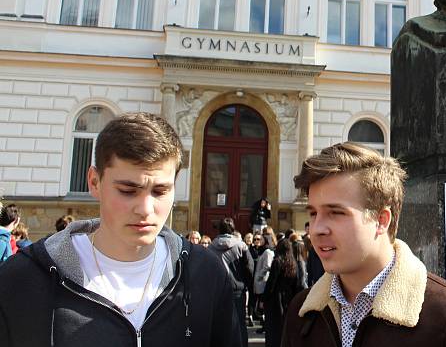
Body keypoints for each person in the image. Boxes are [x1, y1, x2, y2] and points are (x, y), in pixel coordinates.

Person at [0, 112, 241, 347]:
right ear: (94, 182)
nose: (145, 209)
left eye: (160, 191)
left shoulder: (206, 274)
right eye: (128, 190)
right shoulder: (22, 279)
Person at [282, 142, 446, 347]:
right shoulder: (302, 312)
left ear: (382, 220)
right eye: (313, 214)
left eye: (336, 213)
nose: (317, 228)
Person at [209, 217, 253, 347]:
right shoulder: (241, 246)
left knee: (219, 323)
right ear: (233, 229)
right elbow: (250, 268)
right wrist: (245, 283)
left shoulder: (211, 247)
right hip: (237, 291)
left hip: (218, 291)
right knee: (239, 324)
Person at [262, 238, 304, 344]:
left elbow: (271, 283)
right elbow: (297, 283)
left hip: (276, 299)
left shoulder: (277, 261)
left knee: (274, 327)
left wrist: (264, 298)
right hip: (288, 298)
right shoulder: (293, 263)